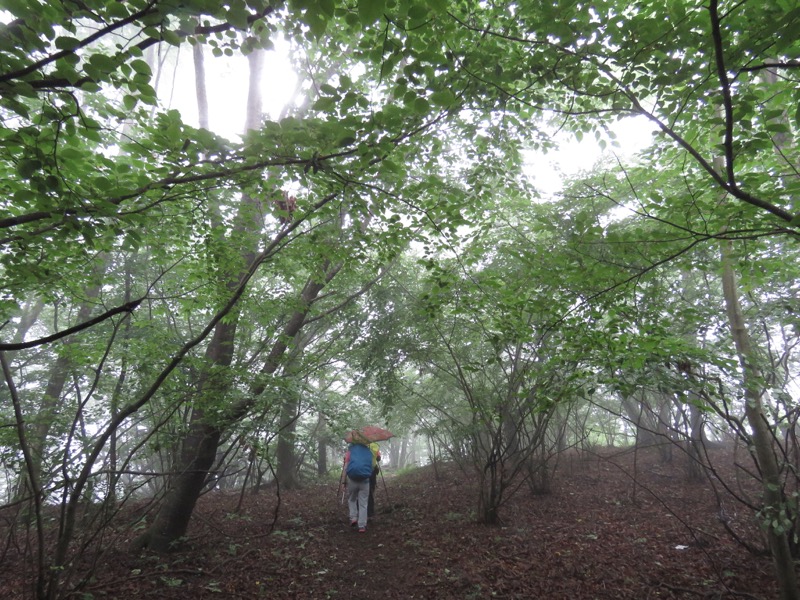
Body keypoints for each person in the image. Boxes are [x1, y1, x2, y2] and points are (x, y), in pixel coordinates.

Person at [343, 443, 374, 532]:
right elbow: (371, 467)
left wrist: (344, 481)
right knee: (363, 503)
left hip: (352, 480)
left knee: (352, 499)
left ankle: (353, 518)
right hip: (365, 481)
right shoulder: (369, 452)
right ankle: (362, 525)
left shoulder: (350, 452)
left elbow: (346, 467)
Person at [368, 442, 381, 518]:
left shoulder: (363, 445)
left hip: (364, 470)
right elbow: (378, 458)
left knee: (365, 491)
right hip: (373, 470)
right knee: (371, 490)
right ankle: (371, 511)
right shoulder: (375, 445)